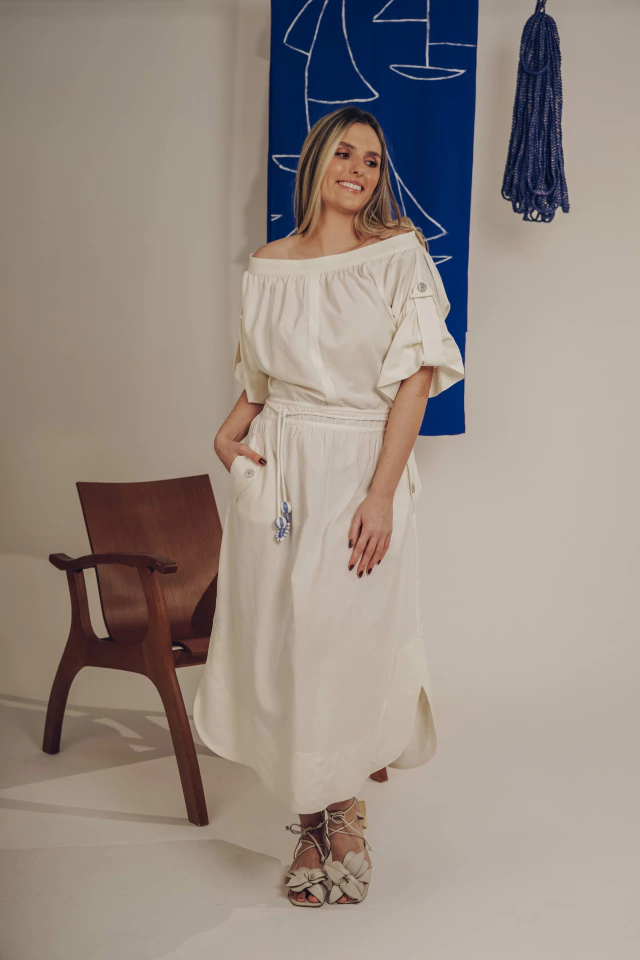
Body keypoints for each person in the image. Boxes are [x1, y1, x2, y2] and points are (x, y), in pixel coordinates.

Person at [193, 106, 465, 906]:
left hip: (358, 470)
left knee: (341, 642)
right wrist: (227, 433)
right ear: (315, 162)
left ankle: (344, 815)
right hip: (279, 475)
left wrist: (380, 493)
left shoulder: (398, 254)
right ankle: (311, 823)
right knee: (289, 643)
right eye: (345, 153)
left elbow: (415, 377)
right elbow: (261, 378)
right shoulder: (267, 265)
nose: (359, 170)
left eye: (372, 161)